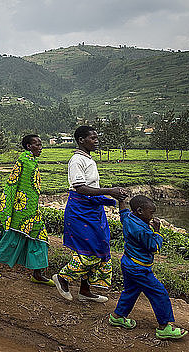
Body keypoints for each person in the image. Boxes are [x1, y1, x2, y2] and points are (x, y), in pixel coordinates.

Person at [53, 125, 127, 302]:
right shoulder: (76, 160)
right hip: (81, 210)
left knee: (100, 246)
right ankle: (62, 277)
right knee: (88, 250)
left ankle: (84, 290)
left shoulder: (87, 159)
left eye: (96, 138)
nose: (96, 141)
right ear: (81, 140)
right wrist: (110, 191)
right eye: (92, 138)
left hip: (93, 209)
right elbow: (80, 187)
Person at [109, 195, 188, 340]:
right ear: (139, 211)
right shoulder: (142, 230)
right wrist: (157, 231)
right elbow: (154, 247)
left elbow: (123, 211)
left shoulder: (128, 218)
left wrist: (121, 200)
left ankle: (117, 316)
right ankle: (164, 327)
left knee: (131, 291)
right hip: (139, 268)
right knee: (159, 293)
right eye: (151, 212)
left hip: (128, 262)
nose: (153, 216)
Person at [0, 135, 53, 286]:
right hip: (22, 211)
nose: (40, 148)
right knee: (12, 238)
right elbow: (12, 184)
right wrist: (8, 209)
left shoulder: (32, 161)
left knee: (40, 238)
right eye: (37, 145)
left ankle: (37, 273)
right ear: (28, 146)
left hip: (32, 209)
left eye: (41, 145)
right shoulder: (25, 161)